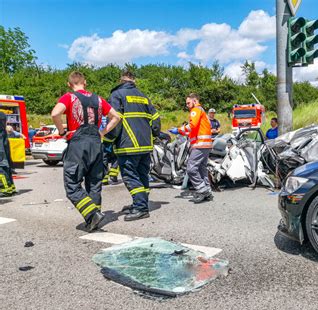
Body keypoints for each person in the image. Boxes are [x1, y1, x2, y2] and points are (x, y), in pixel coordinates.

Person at [51, 71, 121, 232]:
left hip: (78, 143)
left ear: (69, 84)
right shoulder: (99, 99)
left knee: (72, 184)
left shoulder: (69, 97)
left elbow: (55, 113)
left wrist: (62, 131)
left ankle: (91, 214)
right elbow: (116, 117)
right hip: (96, 143)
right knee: (94, 183)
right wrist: (102, 132)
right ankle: (93, 219)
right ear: (85, 82)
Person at [108, 70, 161, 221]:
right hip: (145, 144)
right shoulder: (144, 97)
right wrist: (154, 134)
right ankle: (140, 202)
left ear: (121, 80)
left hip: (127, 145)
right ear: (134, 81)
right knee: (142, 175)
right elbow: (156, 120)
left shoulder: (117, 95)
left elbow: (115, 120)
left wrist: (110, 139)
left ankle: (141, 208)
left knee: (130, 176)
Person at [172, 93, 213, 203]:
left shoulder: (195, 110)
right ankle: (207, 191)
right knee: (201, 169)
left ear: (194, 101)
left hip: (200, 145)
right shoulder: (202, 111)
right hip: (206, 145)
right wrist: (183, 132)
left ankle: (202, 190)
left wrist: (179, 129)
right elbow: (194, 130)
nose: (187, 105)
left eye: (188, 103)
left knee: (191, 168)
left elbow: (192, 126)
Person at [0, 112, 16, 197]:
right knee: (6, 166)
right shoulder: (2, 114)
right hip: (4, 143)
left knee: (1, 167)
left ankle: (5, 189)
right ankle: (10, 187)